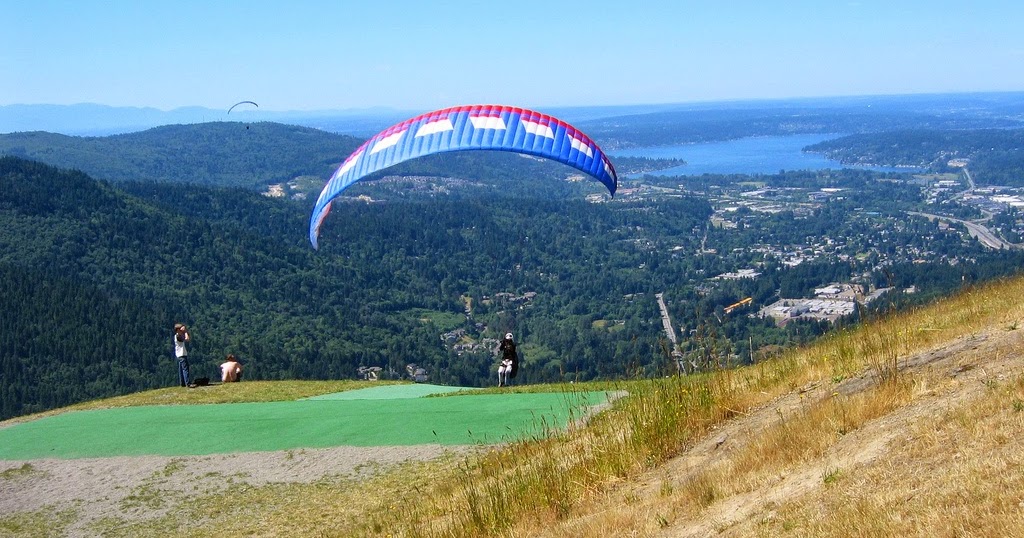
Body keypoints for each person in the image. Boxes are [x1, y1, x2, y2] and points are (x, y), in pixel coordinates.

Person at [173, 323, 194, 388]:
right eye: (180, 329)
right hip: (182, 354)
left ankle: (182, 383)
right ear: (177, 330)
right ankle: (188, 383)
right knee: (185, 369)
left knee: (181, 369)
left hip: (179, 355)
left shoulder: (176, 336)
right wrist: (185, 332)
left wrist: (185, 331)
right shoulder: (178, 336)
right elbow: (187, 339)